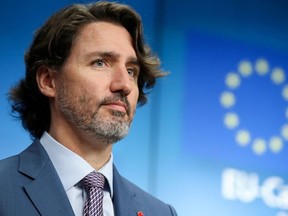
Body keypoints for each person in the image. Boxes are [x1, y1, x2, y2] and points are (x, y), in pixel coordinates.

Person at [0, 1, 177, 216]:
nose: (124, 85)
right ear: (48, 81)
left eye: (131, 71)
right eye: (100, 63)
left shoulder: (159, 212)